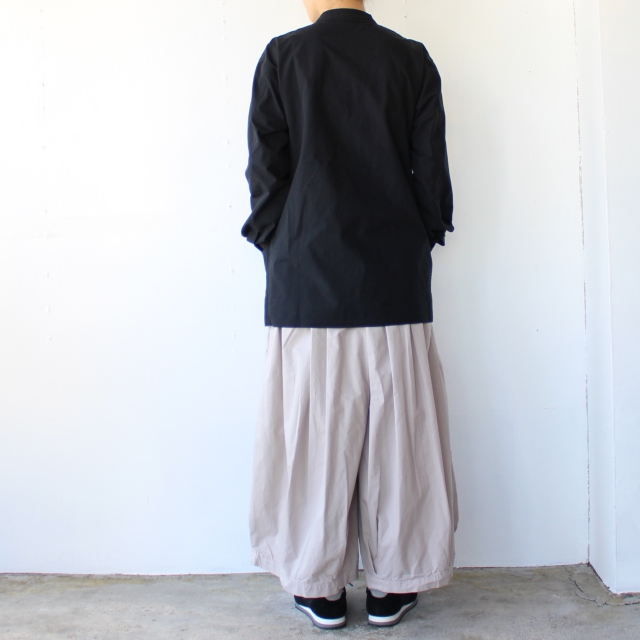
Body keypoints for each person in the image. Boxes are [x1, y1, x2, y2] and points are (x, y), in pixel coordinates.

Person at [241, 0, 458, 630]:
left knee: (314, 440)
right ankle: (395, 584)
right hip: (393, 281)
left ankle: (319, 586)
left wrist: (282, 242)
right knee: (401, 438)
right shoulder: (410, 60)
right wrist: (418, 236)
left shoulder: (283, 57)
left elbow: (265, 172)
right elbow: (432, 174)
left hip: (307, 282)